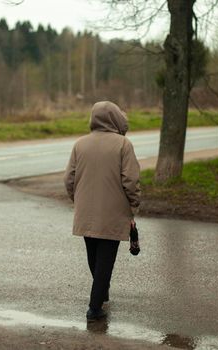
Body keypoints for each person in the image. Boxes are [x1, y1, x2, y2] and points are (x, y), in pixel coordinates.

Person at [64, 101, 141, 321]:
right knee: (105, 260)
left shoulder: (80, 144)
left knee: (94, 257)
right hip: (113, 212)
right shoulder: (123, 145)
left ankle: (101, 292)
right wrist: (133, 205)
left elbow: (69, 179)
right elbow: (131, 180)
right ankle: (94, 308)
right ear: (116, 118)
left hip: (85, 211)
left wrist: (77, 200)